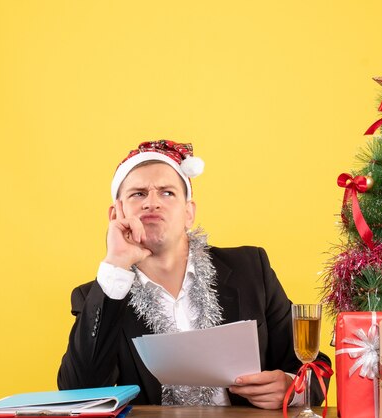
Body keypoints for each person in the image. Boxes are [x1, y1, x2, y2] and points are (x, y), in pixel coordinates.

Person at [57, 140, 330, 408]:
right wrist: (115, 265)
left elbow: (316, 367)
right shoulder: (102, 294)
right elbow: (79, 395)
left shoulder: (250, 268)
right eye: (138, 193)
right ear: (116, 214)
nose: (152, 203)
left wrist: (292, 387)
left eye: (167, 192)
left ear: (189, 213)